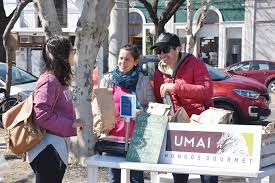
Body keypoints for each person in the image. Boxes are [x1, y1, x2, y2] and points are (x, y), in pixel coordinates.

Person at [152, 32, 217, 183]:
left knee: (207, 175)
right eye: (158, 51)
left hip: (201, 127)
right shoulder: (158, 73)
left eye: (165, 49)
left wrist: (176, 87)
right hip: (176, 130)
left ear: (178, 49)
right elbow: (158, 101)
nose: (162, 54)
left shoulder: (195, 64)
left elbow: (207, 92)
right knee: (179, 176)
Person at [27, 36, 85, 183]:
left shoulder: (57, 79)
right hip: (47, 150)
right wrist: (71, 124)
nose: (74, 53)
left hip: (55, 147)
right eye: (72, 50)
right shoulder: (49, 80)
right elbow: (41, 115)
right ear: (62, 54)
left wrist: (74, 121)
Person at [100, 44, 155, 183]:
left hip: (136, 139)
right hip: (112, 138)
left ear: (136, 62)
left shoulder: (143, 81)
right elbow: (99, 107)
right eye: (121, 58)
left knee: (136, 179)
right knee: (114, 178)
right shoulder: (108, 80)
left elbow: (152, 108)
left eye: (127, 59)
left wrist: (137, 113)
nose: (122, 62)